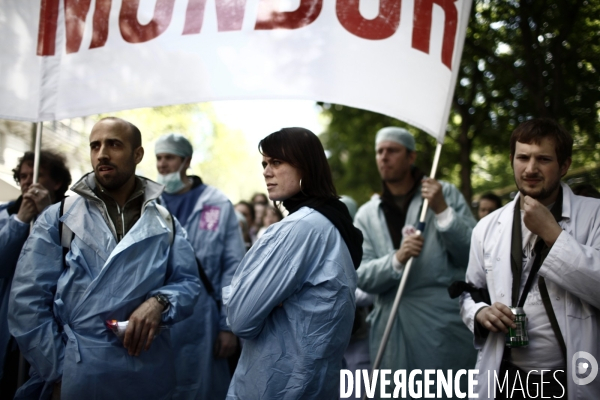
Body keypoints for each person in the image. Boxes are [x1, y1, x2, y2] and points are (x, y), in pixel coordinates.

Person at [8, 117, 201, 399]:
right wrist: (60, 369)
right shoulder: (60, 217)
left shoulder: (165, 223)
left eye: (114, 144)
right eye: (95, 145)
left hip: (145, 373)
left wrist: (159, 302)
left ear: (137, 154)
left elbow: (188, 282)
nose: (102, 154)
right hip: (75, 373)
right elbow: (27, 302)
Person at [460, 118, 600, 399]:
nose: (531, 168)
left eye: (544, 159)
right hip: (507, 379)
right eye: (523, 157)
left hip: (569, 379)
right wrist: (480, 313)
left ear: (564, 165)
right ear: (512, 160)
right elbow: (469, 295)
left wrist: (552, 233)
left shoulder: (594, 214)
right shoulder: (487, 227)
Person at [223, 127, 363, 399]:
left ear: (306, 167)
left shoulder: (299, 228)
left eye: (276, 162)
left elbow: (240, 319)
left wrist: (260, 297)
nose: (266, 171)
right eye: (264, 163)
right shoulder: (331, 223)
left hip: (278, 384)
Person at [354, 126, 477, 397]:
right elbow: (360, 275)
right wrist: (396, 260)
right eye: (379, 151)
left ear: (411, 157)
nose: (384, 157)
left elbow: (473, 253)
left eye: (392, 151)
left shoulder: (443, 193)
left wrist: (442, 211)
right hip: (390, 325)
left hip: (440, 327)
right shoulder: (366, 215)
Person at [155, 133, 245, 400]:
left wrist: (228, 326)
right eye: (158, 158)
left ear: (187, 161)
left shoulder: (216, 203)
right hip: (155, 316)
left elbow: (233, 266)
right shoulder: (149, 202)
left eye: (169, 158)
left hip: (202, 318)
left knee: (200, 388)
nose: (162, 165)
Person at [0, 150, 71, 398]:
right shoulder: (4, 214)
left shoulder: (70, 218)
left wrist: (45, 216)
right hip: (7, 329)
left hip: (49, 332)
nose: (27, 181)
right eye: (23, 176)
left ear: (57, 181)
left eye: (36, 174)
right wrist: (20, 221)